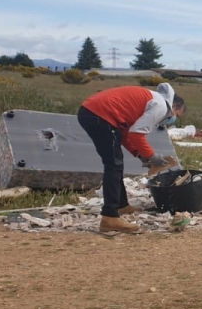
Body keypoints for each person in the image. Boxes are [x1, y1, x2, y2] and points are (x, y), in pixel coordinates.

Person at [77, 83, 184, 233]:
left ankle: (121, 206)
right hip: (100, 115)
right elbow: (136, 133)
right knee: (113, 164)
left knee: (115, 162)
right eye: (177, 115)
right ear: (174, 106)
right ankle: (110, 217)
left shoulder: (153, 100)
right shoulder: (160, 106)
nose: (173, 119)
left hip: (94, 112)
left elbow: (126, 133)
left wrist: (139, 154)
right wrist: (152, 157)